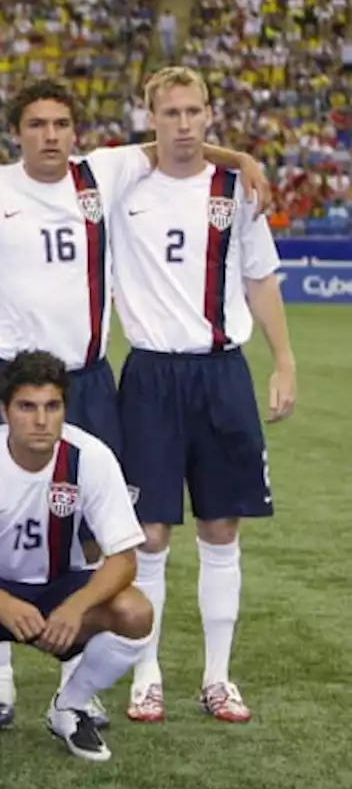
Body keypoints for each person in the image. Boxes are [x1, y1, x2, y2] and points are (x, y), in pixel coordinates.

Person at [0, 79, 269, 731]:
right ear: (16, 131)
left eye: (61, 124)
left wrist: (242, 160)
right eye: (36, 123)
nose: (49, 135)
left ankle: (79, 679)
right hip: (9, 378)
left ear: (76, 131)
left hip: (88, 381)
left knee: (99, 531)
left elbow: (178, 145)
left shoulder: (102, 173)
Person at [111, 67, 297, 725]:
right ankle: (147, 674)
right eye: (171, 112)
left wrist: (284, 362)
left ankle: (218, 677)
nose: (184, 124)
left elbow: (260, 278)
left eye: (195, 112)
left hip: (221, 374)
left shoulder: (235, 190)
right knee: (150, 533)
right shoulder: (121, 185)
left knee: (221, 525)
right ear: (150, 117)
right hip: (152, 376)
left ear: (210, 115)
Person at [0, 350, 154, 763]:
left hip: (59, 588)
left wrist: (76, 607)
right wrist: (0, 602)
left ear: (64, 408)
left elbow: (124, 558)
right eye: (27, 406)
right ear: (4, 410)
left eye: (52, 406)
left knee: (136, 612)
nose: (41, 420)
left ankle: (70, 706)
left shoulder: (90, 457)